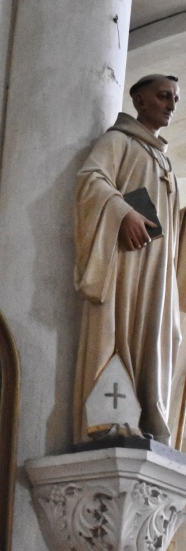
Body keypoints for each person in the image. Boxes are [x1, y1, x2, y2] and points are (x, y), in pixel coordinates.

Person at [74, 74, 186, 444]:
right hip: (129, 267)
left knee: (162, 337)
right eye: (163, 96)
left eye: (175, 98)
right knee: (122, 331)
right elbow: (91, 180)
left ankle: (152, 420)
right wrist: (122, 213)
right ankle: (115, 420)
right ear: (139, 100)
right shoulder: (118, 141)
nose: (171, 104)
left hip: (159, 273)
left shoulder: (165, 161)